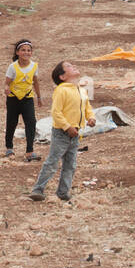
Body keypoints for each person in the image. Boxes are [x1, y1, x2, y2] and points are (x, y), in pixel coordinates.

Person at [28, 61, 95, 202]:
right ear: (62, 77)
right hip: (62, 133)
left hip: (75, 134)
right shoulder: (61, 90)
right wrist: (67, 127)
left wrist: (91, 118)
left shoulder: (81, 90)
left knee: (70, 164)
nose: (74, 66)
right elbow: (56, 113)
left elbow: (87, 107)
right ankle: (38, 189)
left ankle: (63, 192)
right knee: (52, 162)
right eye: (69, 66)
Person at [3, 39, 42, 161]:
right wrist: (6, 89)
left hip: (27, 98)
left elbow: (35, 82)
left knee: (31, 123)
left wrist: (39, 97)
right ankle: (9, 147)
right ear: (18, 52)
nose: (26, 52)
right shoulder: (12, 67)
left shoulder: (34, 66)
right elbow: (7, 83)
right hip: (13, 99)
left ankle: (30, 151)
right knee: (11, 122)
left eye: (29, 50)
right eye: (23, 50)